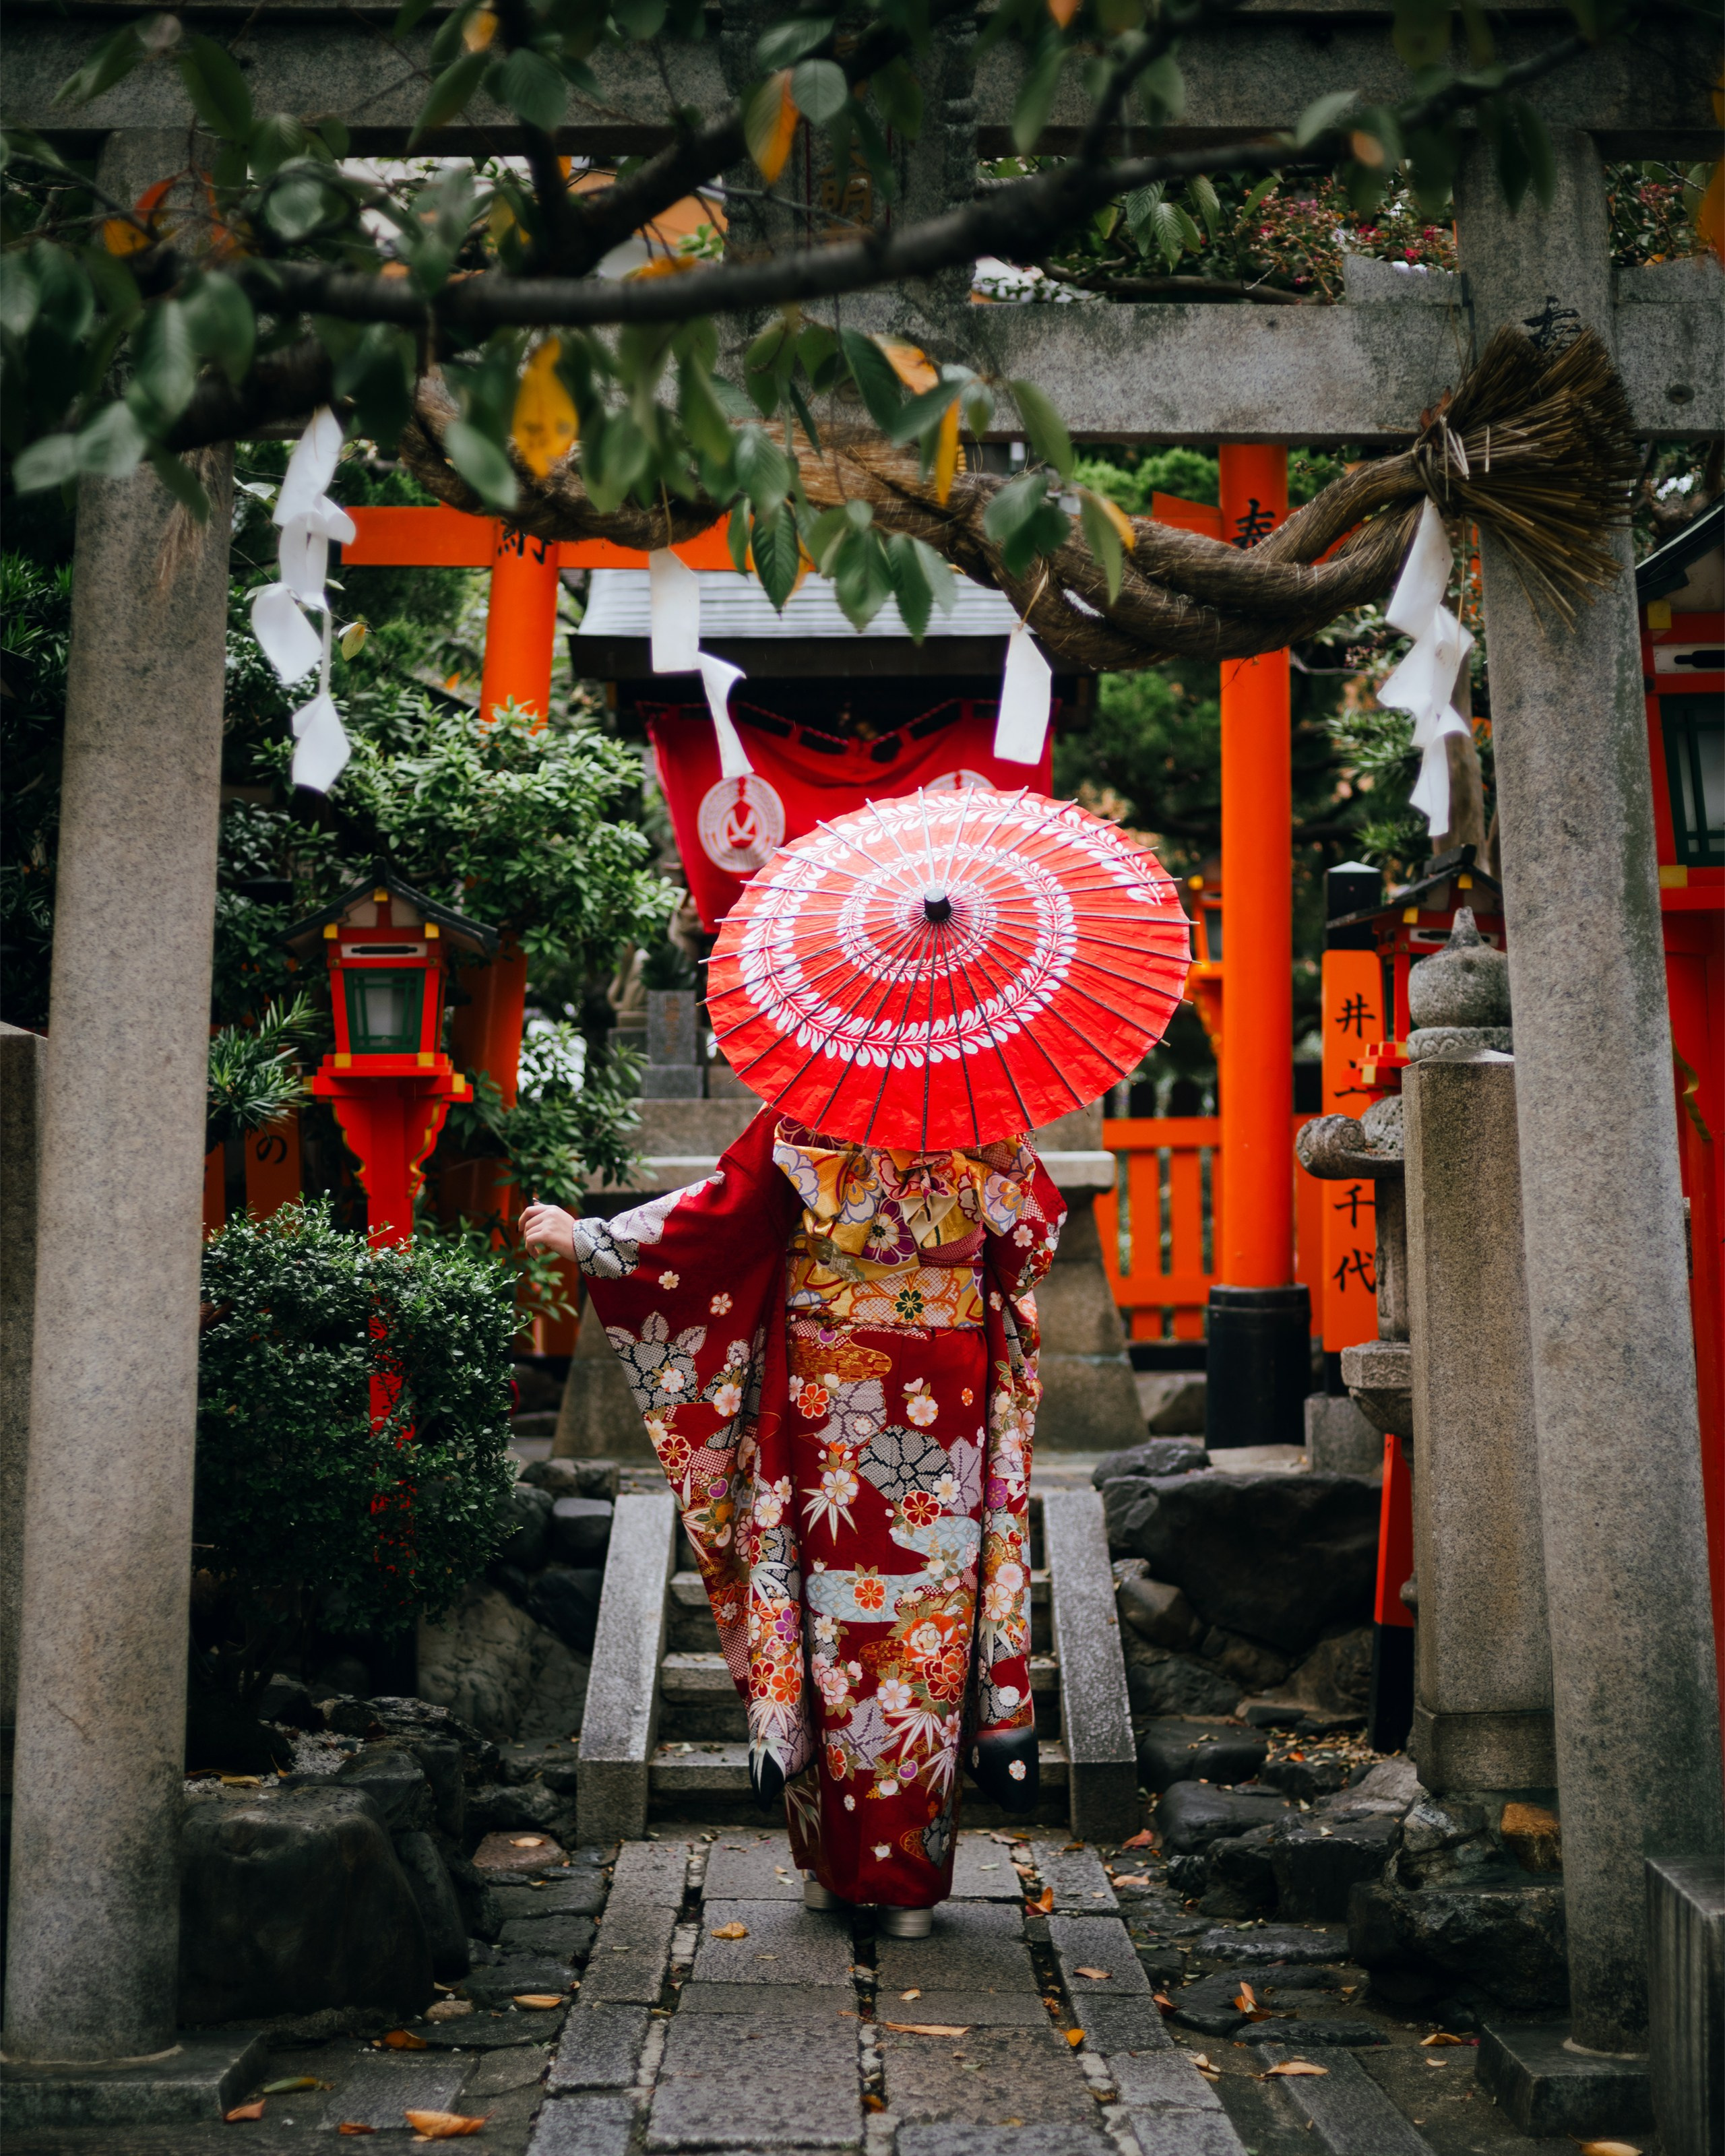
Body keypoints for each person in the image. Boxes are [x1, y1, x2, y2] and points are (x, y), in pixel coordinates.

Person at [522, 1105, 1065, 1935]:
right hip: (943, 1392)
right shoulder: (987, 1127)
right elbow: (1025, 1253)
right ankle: (904, 1881)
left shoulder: (812, 1109)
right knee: (925, 1624)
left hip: (831, 1388)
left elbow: (721, 1215)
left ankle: (829, 1869)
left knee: (827, 1619)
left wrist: (592, 1239)